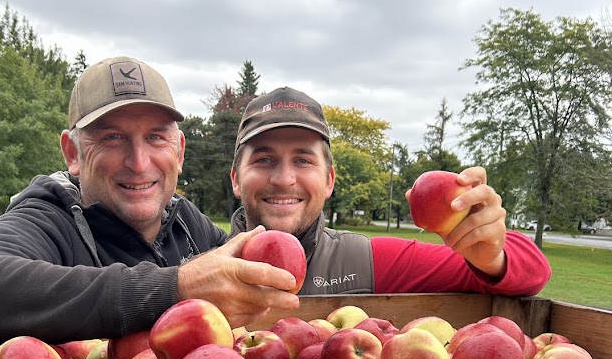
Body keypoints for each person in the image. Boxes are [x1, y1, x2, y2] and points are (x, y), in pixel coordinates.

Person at [0, 57, 300, 352]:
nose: (139, 162)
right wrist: (173, 288)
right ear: (72, 153)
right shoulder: (48, 217)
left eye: (156, 137)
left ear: (180, 151)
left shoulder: (189, 224)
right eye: (112, 137)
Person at [229, 87, 551, 297]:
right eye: (264, 159)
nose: (284, 179)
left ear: (329, 181)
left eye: (302, 159)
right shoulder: (199, 263)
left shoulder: (364, 261)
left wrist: (490, 255)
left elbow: (533, 269)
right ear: (235, 179)